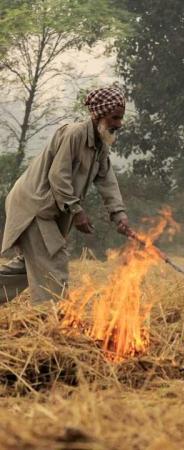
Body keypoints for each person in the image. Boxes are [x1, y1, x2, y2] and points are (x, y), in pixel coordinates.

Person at [0, 86, 132, 304]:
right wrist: (76, 210)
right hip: (35, 206)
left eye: (121, 118)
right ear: (99, 115)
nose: (119, 124)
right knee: (53, 259)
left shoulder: (101, 143)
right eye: (115, 118)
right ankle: (51, 319)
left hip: (45, 209)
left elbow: (107, 179)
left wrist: (119, 214)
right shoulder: (74, 134)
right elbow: (58, 177)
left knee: (30, 266)